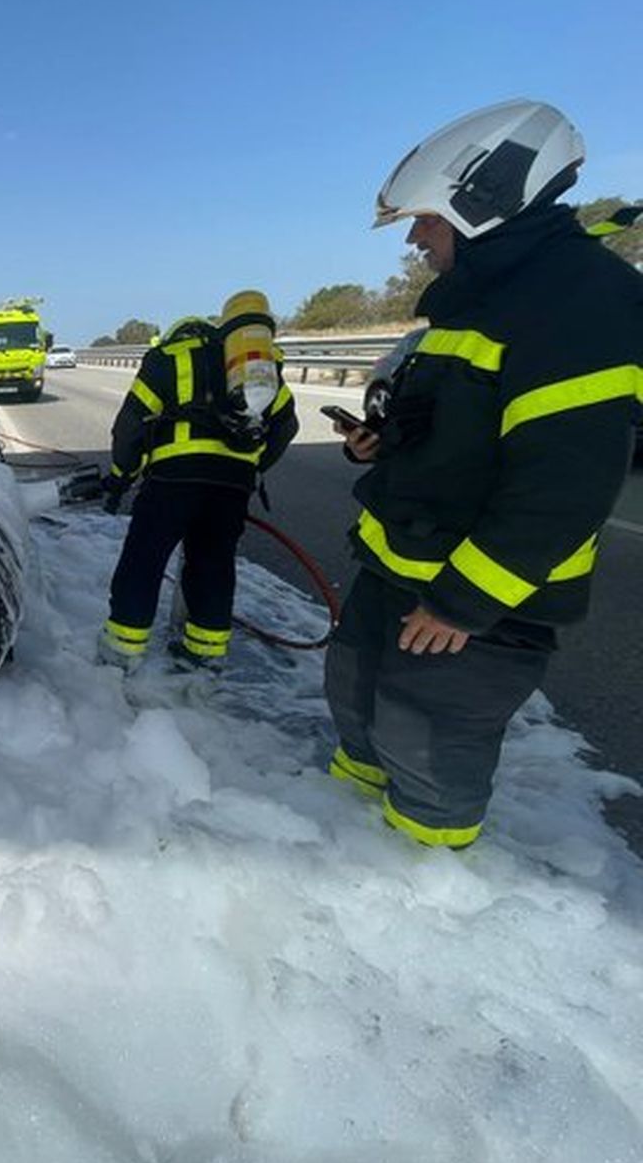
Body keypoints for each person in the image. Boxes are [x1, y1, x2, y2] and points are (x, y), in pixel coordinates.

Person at [326, 100, 643, 849]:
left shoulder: (577, 307)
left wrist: (462, 604)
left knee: (427, 748)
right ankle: (340, 843)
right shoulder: (477, 301)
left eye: (427, 221)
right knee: (360, 710)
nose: (414, 238)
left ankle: (425, 888)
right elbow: (449, 427)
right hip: (400, 568)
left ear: (485, 203)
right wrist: (382, 441)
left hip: (475, 601)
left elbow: (562, 488)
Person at [98, 290, 298, 669]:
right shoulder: (260, 367)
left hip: (172, 481)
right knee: (213, 564)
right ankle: (203, 658)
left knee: (144, 561)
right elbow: (286, 426)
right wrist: (253, 467)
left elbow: (129, 428)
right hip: (232, 486)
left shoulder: (168, 359)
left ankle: (121, 652)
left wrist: (122, 477)